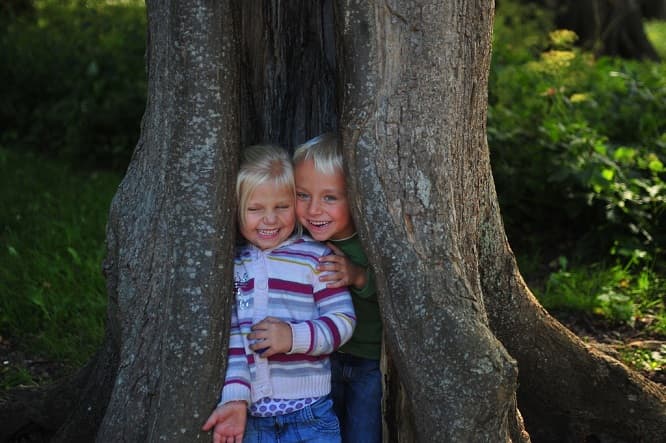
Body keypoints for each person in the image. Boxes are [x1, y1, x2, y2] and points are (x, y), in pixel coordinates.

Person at [202, 144, 356, 443]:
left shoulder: (316, 258)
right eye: (255, 209)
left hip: (310, 413)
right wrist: (235, 399)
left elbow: (343, 320)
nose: (270, 220)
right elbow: (232, 339)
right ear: (235, 210)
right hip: (253, 419)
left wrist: (293, 338)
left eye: (282, 207)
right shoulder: (230, 265)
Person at [293, 133, 383, 443]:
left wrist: (359, 276)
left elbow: (399, 298)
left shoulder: (371, 243)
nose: (314, 209)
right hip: (319, 362)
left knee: (363, 434)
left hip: (368, 363)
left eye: (329, 198)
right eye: (302, 195)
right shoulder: (296, 244)